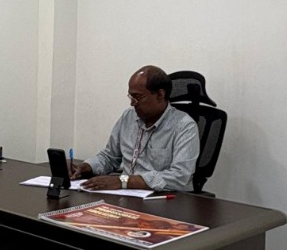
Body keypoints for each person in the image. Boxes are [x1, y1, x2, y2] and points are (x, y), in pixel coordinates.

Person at [70, 65, 200, 193]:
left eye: (137, 97)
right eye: (131, 97)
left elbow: (180, 176)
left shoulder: (184, 126)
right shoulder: (129, 116)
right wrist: (85, 167)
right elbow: (110, 157)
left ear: (160, 95)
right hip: (126, 194)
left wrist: (124, 181)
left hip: (164, 198)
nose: (132, 103)